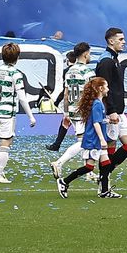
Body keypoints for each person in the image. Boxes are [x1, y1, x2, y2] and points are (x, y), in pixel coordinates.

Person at [56, 76, 116, 199]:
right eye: (106, 86)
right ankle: (65, 181)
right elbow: (95, 123)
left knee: (106, 163)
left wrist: (108, 120)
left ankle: (104, 191)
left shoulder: (98, 103)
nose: (108, 89)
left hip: (96, 138)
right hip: (93, 139)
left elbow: (98, 120)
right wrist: (102, 139)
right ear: (100, 88)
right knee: (89, 167)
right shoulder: (97, 104)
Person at [94, 27, 127, 192]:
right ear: (111, 41)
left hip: (119, 111)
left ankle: (105, 175)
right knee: (109, 147)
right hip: (111, 111)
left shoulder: (114, 59)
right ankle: (104, 187)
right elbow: (103, 88)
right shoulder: (106, 61)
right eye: (121, 39)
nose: (124, 42)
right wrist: (110, 110)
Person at [0, 42, 36, 183]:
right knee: (6, 142)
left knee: (2, 141)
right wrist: (31, 116)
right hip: (6, 112)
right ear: (17, 57)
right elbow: (22, 97)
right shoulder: (15, 74)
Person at [50, 43, 94, 182]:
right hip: (84, 110)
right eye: (90, 53)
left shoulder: (69, 71)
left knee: (85, 141)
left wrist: (67, 112)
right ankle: (59, 163)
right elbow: (92, 93)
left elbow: (66, 93)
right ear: (85, 54)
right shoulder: (88, 72)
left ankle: (88, 171)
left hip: (73, 110)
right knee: (84, 142)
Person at [45, 49, 80, 152]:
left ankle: (57, 145)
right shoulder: (82, 69)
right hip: (81, 101)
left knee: (67, 123)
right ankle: (56, 144)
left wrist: (57, 101)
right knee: (65, 122)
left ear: (68, 60)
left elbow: (66, 90)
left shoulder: (67, 72)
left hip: (73, 102)